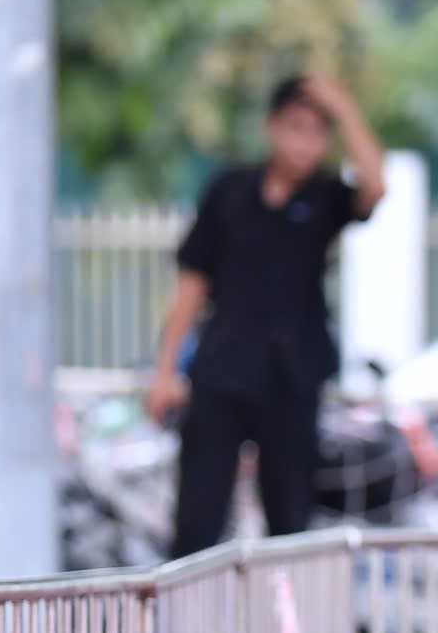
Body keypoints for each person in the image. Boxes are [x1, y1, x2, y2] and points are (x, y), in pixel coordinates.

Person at [148, 74, 386, 556]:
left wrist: (343, 108)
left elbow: (376, 188)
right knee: (197, 523)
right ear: (272, 127)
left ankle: (286, 632)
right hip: (223, 372)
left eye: (320, 132)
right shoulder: (229, 192)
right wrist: (166, 370)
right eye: (297, 128)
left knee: (290, 524)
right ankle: (188, 632)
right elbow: (193, 283)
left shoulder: (325, 198)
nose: (307, 143)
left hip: (293, 376)